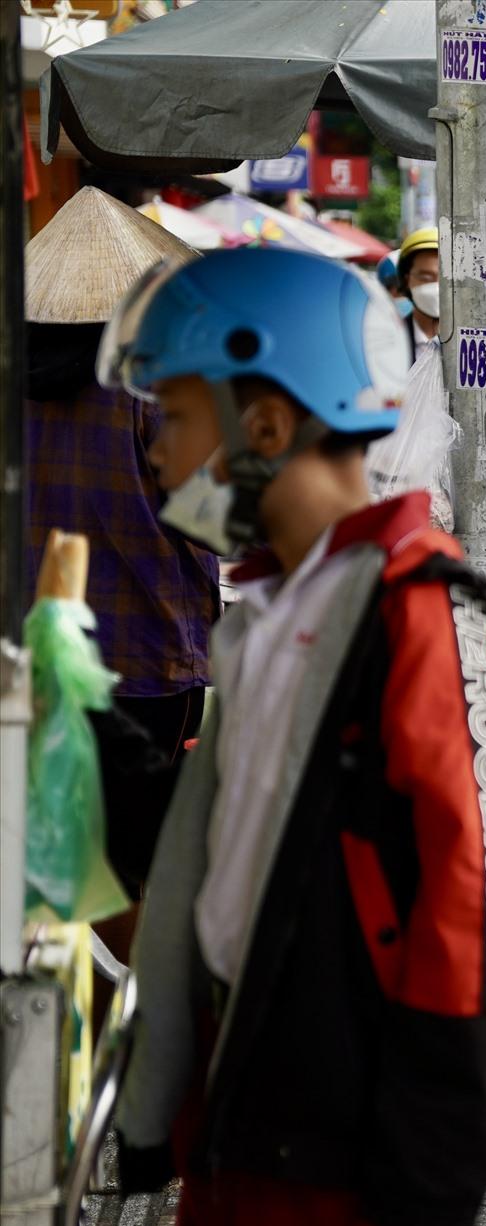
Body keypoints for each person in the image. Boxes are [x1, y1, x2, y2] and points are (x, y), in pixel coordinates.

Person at [103, 248, 486, 1226]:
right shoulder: (262, 613)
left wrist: (429, 1162)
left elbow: (479, 906)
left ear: (264, 425)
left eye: (172, 417)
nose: (155, 455)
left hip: (344, 1146)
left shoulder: (425, 615)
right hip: (248, 1115)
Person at [21, 188, 215, 945]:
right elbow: (211, 518)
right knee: (135, 863)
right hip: (145, 656)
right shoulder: (153, 384)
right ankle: (141, 1027)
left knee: (55, 849)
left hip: (33, 653)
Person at [397, 226, 441, 349]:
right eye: (426, 278)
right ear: (406, 280)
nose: (437, 287)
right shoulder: (390, 341)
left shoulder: (475, 343)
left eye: (445, 281)